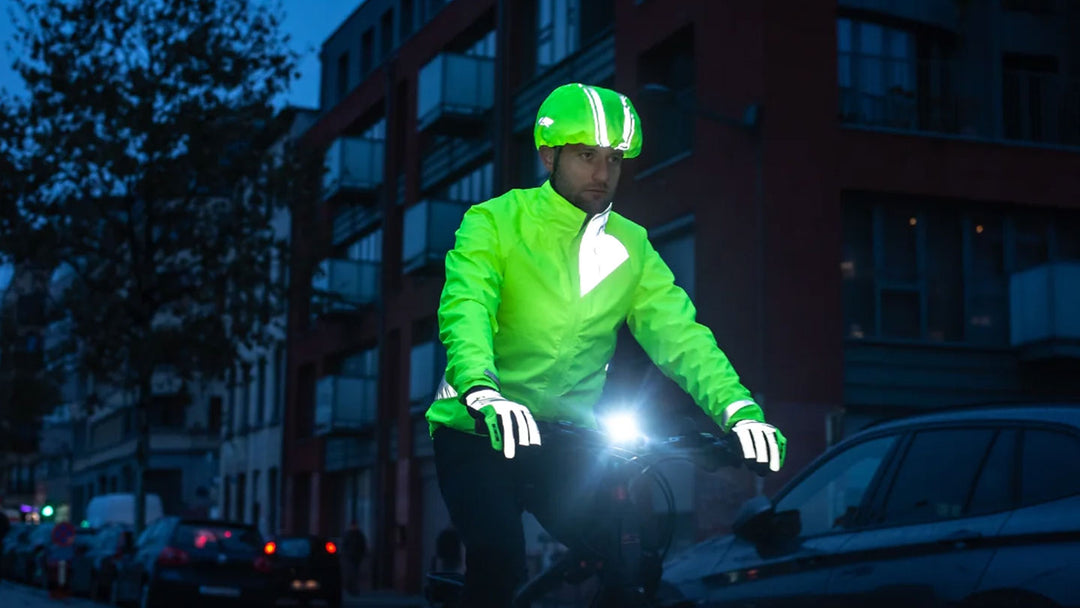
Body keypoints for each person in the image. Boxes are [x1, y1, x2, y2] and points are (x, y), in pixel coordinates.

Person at [425, 82, 787, 607]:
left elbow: (681, 336)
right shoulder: (494, 223)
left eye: (614, 159)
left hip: (566, 437)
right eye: (586, 156)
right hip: (475, 430)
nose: (602, 173)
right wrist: (482, 390)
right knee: (501, 556)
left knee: (632, 557)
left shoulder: (631, 246)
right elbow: (467, 310)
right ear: (549, 156)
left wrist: (739, 413)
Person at [341, 522, 366, 594]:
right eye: (353, 526)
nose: (354, 527)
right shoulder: (348, 535)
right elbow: (344, 545)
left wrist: (362, 554)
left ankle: (353, 588)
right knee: (351, 572)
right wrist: (345, 554)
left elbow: (363, 545)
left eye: (355, 526)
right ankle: (350, 588)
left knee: (355, 572)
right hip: (350, 556)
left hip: (357, 556)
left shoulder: (359, 535)